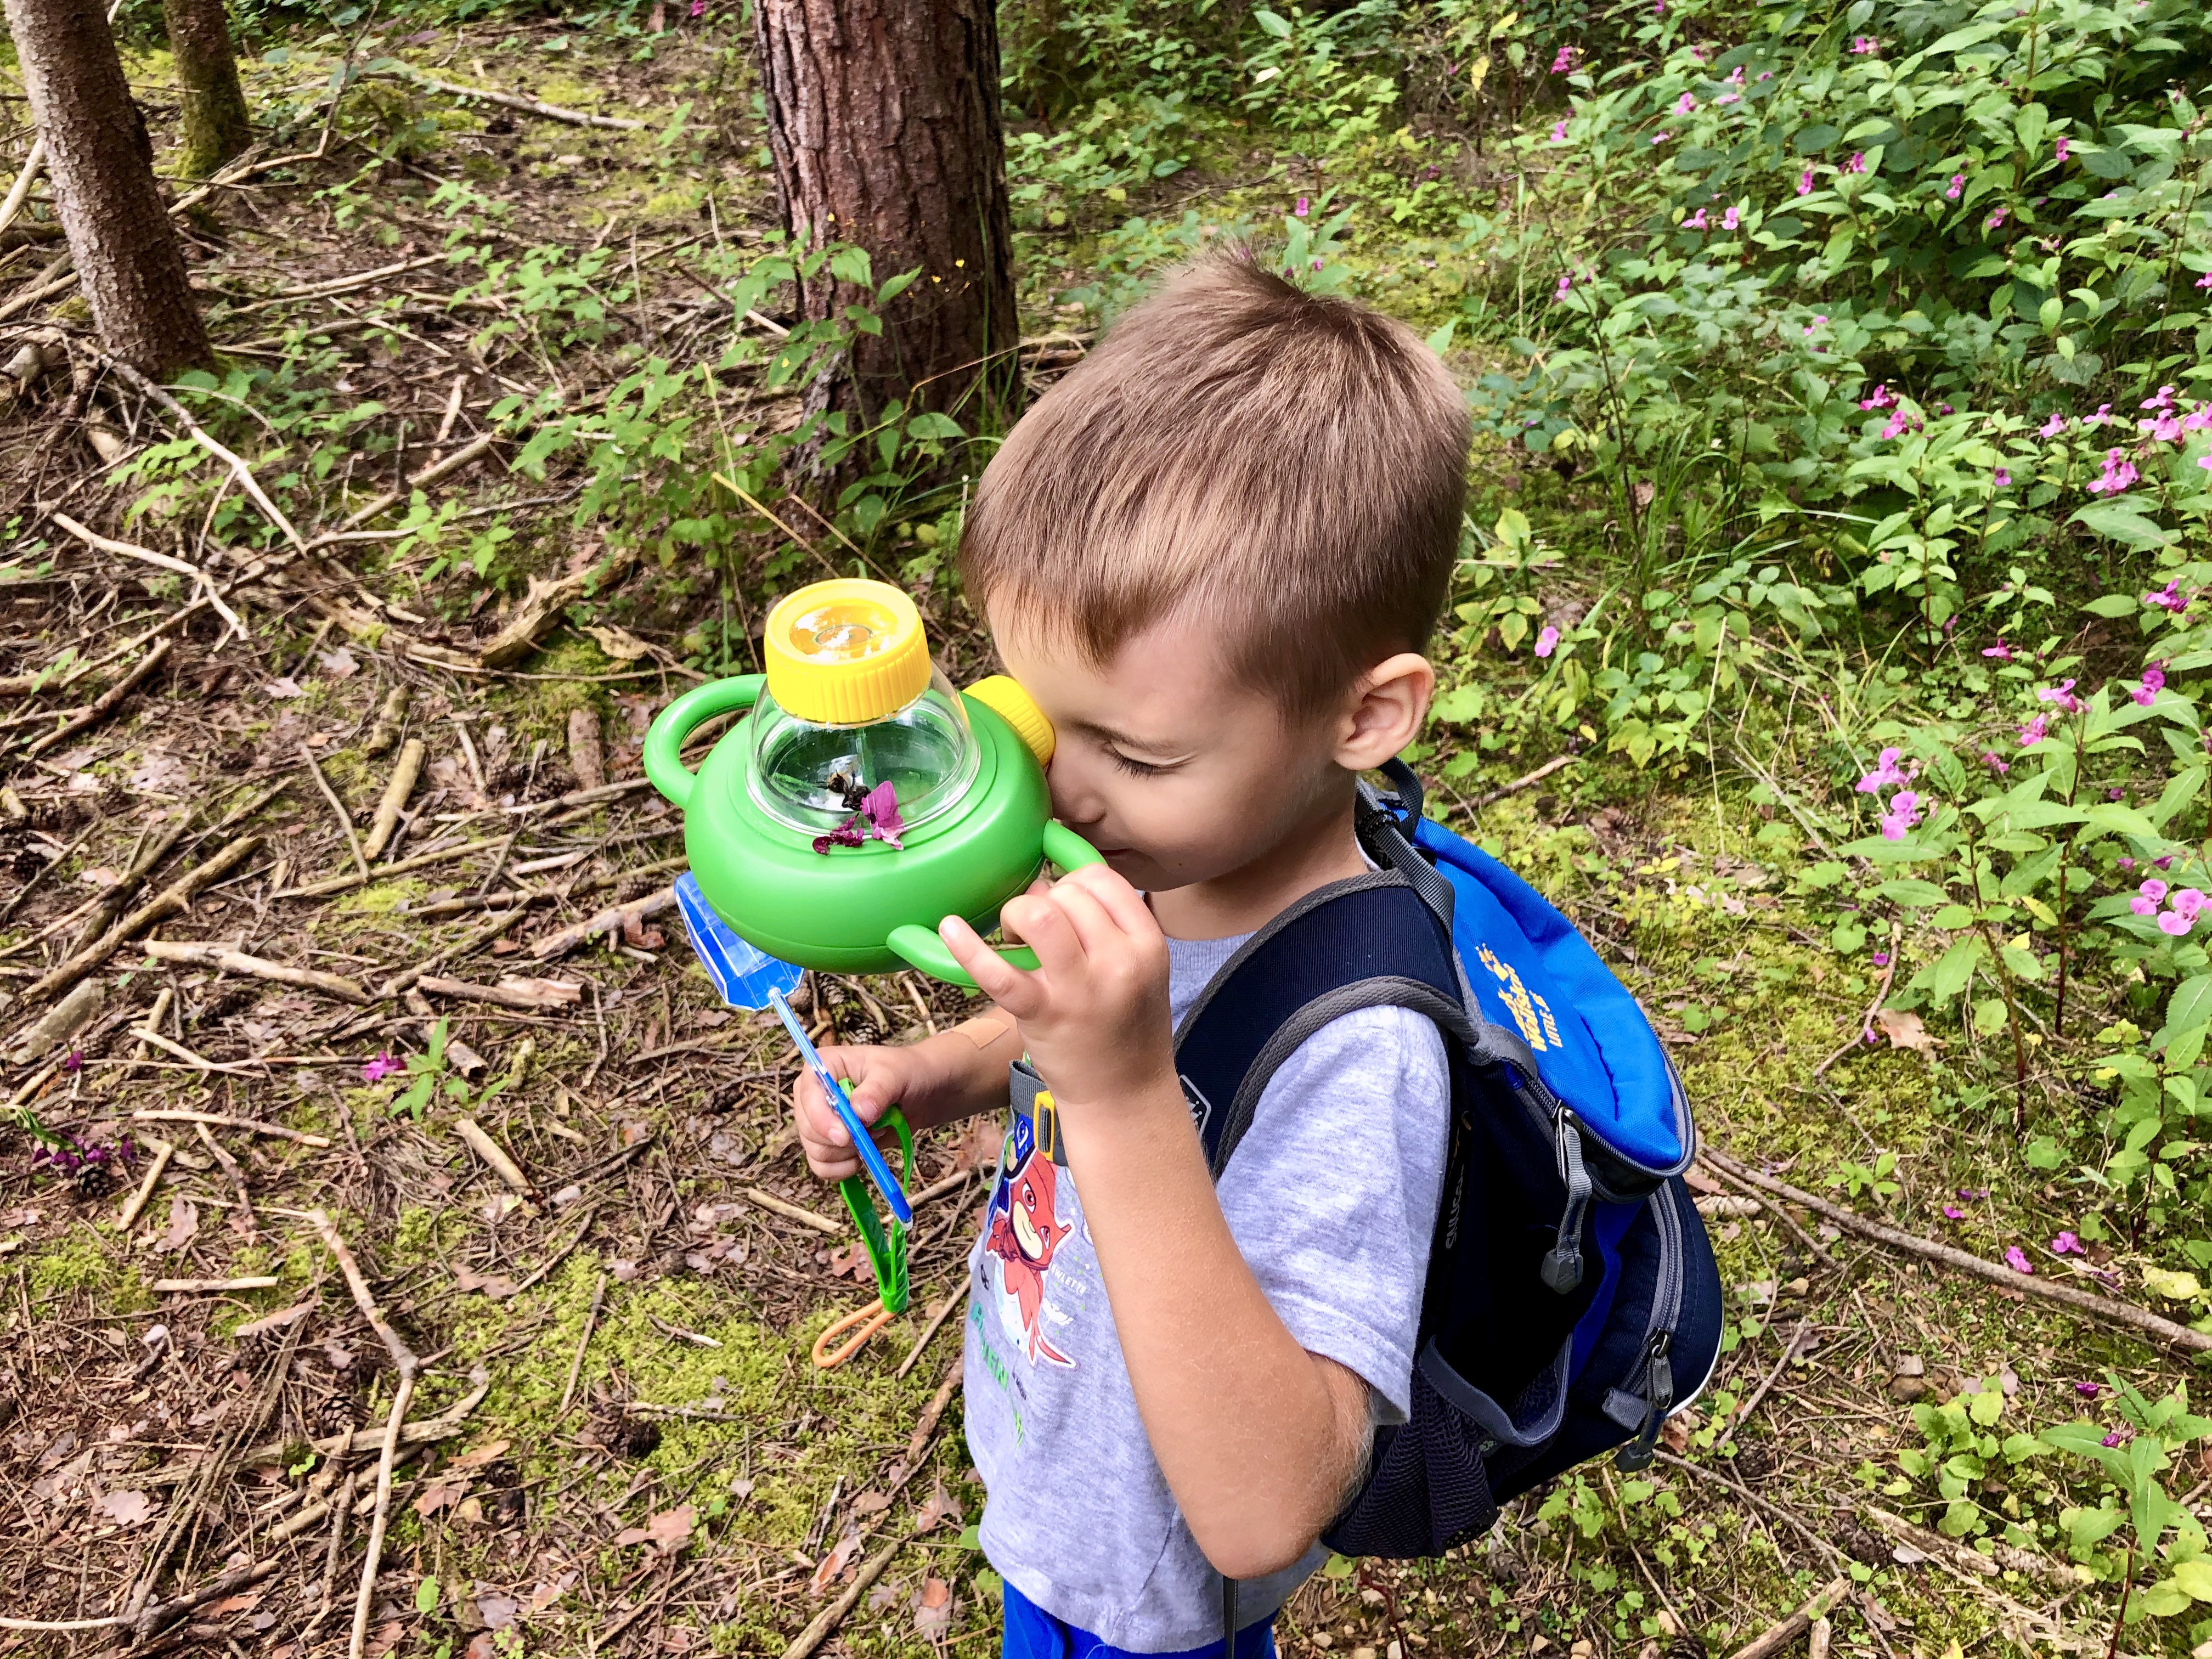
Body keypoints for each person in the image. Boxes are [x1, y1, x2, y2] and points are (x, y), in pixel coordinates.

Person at [790, 248, 1470, 1658]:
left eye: (1139, 752)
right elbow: (1070, 1028)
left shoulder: (1364, 1043)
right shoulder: (1165, 861)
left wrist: (1114, 1093)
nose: (1062, 793)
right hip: (1060, 1484)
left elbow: (1268, 1507)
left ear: (1363, 716)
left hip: (1153, 1602)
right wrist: (930, 1071)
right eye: (1037, 723)